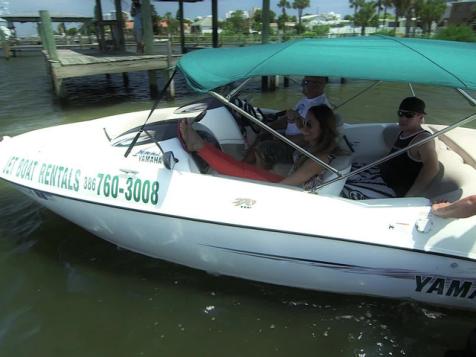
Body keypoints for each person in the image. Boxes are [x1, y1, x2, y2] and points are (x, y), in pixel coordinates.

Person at [180, 104, 339, 190]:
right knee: (240, 167)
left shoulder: (320, 158)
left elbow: (288, 184)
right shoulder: (318, 146)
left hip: (292, 192)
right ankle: (199, 145)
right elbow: (299, 136)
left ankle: (199, 146)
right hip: (289, 182)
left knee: (238, 170)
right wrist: (298, 122)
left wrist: (259, 190)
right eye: (304, 122)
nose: (303, 127)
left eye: (309, 124)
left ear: (324, 128)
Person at [342, 96, 439, 199]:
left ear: (420, 117)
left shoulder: (423, 139)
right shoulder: (403, 132)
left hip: (392, 188)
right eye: (400, 113)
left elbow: (432, 168)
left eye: (409, 115)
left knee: (344, 191)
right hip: (379, 175)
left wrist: (410, 196)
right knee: (341, 174)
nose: (403, 118)